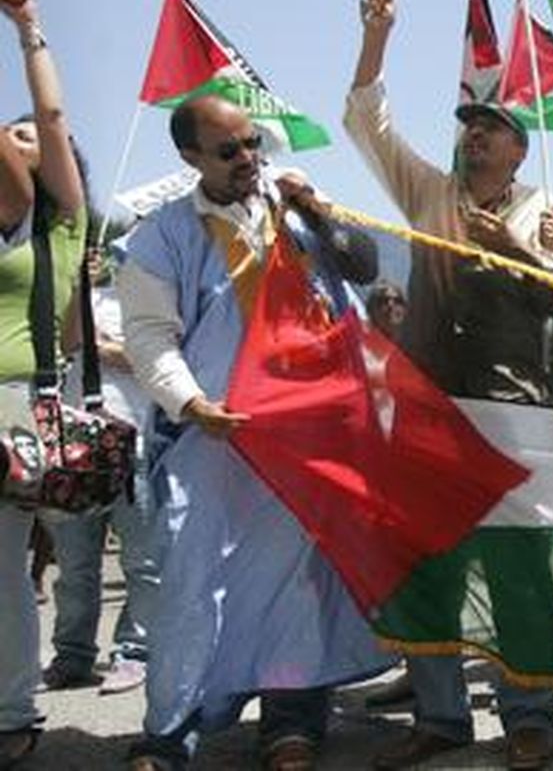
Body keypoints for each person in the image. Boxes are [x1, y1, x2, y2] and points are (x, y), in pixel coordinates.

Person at [345, 0, 553, 771]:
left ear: (520, 147)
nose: (475, 137)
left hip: (514, 407)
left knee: (517, 566)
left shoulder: (545, 210)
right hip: (430, 405)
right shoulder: (430, 194)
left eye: (493, 128)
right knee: (429, 561)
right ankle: (441, 714)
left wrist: (508, 245)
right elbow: (366, 123)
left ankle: (531, 714)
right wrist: (378, 36)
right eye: (470, 126)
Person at [119, 93, 388, 771]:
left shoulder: (292, 210)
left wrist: (316, 210)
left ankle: (291, 723)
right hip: (210, 436)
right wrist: (192, 402)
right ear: (190, 157)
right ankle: (169, 732)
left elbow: (363, 265)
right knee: (190, 580)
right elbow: (151, 336)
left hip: (302, 435)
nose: (247, 159)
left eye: (251, 145)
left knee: (294, 580)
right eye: (228, 150)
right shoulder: (163, 234)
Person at [0, 0, 87, 769]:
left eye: (24, 137)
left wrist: (29, 26)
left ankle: (12, 711)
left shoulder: (56, 218)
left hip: (10, 405)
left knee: (1, 567)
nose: (20, 137)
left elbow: (49, 119)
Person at [41, 244, 162, 698]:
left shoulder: (155, 302)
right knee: (74, 564)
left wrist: (106, 349)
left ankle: (135, 652)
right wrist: (80, 286)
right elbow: (72, 342)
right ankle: (72, 654)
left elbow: (153, 360)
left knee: (143, 562)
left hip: (136, 442)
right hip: (78, 443)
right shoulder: (89, 296)